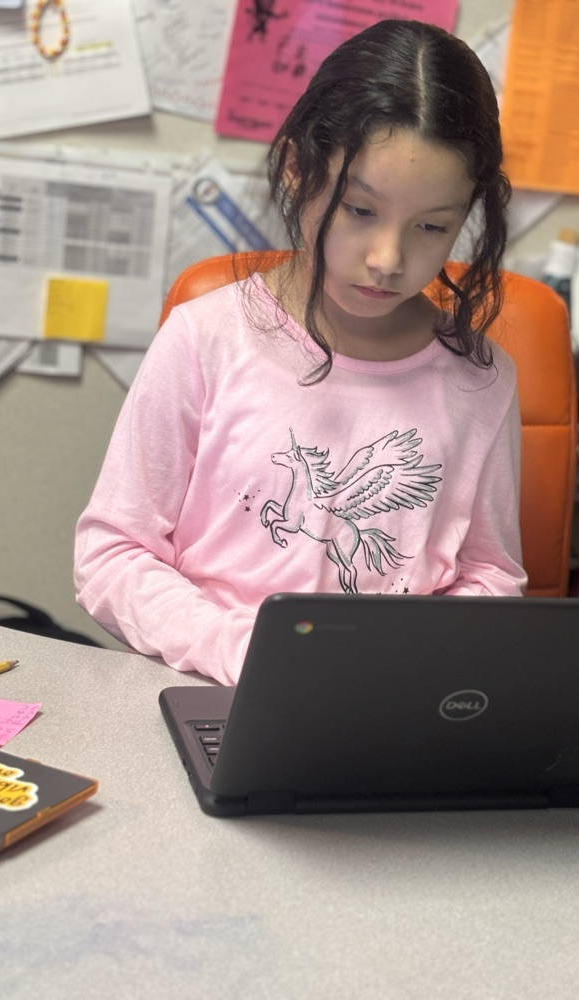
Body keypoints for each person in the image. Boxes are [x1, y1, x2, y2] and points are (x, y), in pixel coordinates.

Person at [74, 19, 527, 685]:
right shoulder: (207, 338)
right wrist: (246, 653)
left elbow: (490, 574)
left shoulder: (481, 380)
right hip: (213, 684)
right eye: (359, 210)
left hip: (388, 703)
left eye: (432, 226)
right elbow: (112, 553)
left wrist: (414, 666)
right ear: (296, 168)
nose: (388, 259)